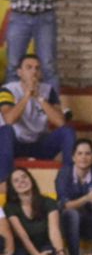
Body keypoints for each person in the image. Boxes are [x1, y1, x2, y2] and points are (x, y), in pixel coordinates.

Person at [0, 53, 75, 186]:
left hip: (39, 143)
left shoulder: (48, 90)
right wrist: (27, 96)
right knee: (5, 131)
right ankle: (3, 183)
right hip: (15, 144)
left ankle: (70, 179)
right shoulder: (7, 89)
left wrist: (39, 97)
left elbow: (60, 122)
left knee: (67, 131)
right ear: (19, 72)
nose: (34, 71)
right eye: (29, 67)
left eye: (37, 68)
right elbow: (9, 119)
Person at [0, 0, 76, 93]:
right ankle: (11, 102)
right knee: (13, 65)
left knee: (48, 65)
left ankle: (51, 103)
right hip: (19, 17)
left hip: (45, 19)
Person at [55, 137, 92, 255]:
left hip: (90, 216)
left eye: (88, 153)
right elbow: (66, 205)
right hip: (68, 219)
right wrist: (87, 198)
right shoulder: (64, 173)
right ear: (73, 157)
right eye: (79, 153)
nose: (83, 157)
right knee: (72, 213)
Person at [4, 166, 65, 255]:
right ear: (12, 187)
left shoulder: (49, 202)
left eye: (24, 177)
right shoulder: (10, 207)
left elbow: (54, 230)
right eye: (16, 181)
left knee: (52, 253)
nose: (21, 181)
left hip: (44, 244)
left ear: (31, 179)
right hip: (23, 247)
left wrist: (60, 252)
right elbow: (23, 236)